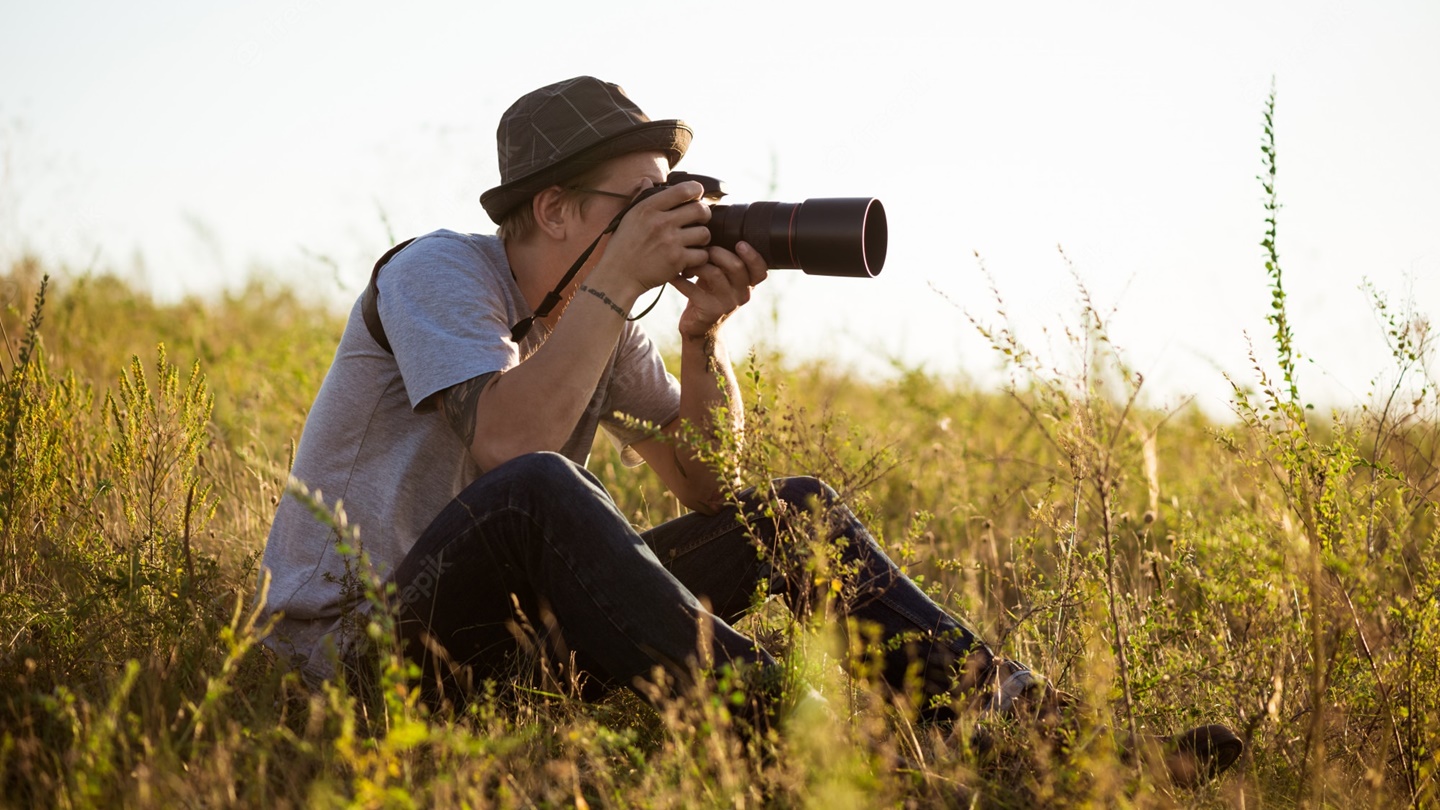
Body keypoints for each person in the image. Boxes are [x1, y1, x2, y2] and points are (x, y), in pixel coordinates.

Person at [255, 76, 1240, 781]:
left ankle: (1045, 737)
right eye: (644, 203)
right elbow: (512, 447)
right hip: (354, 663)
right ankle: (817, 746)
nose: (673, 219)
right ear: (553, 210)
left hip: (504, 665)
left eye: (677, 199)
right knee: (541, 489)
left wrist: (701, 340)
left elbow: (708, 488)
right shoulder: (439, 271)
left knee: (792, 512)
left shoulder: (598, 319)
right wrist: (616, 281)